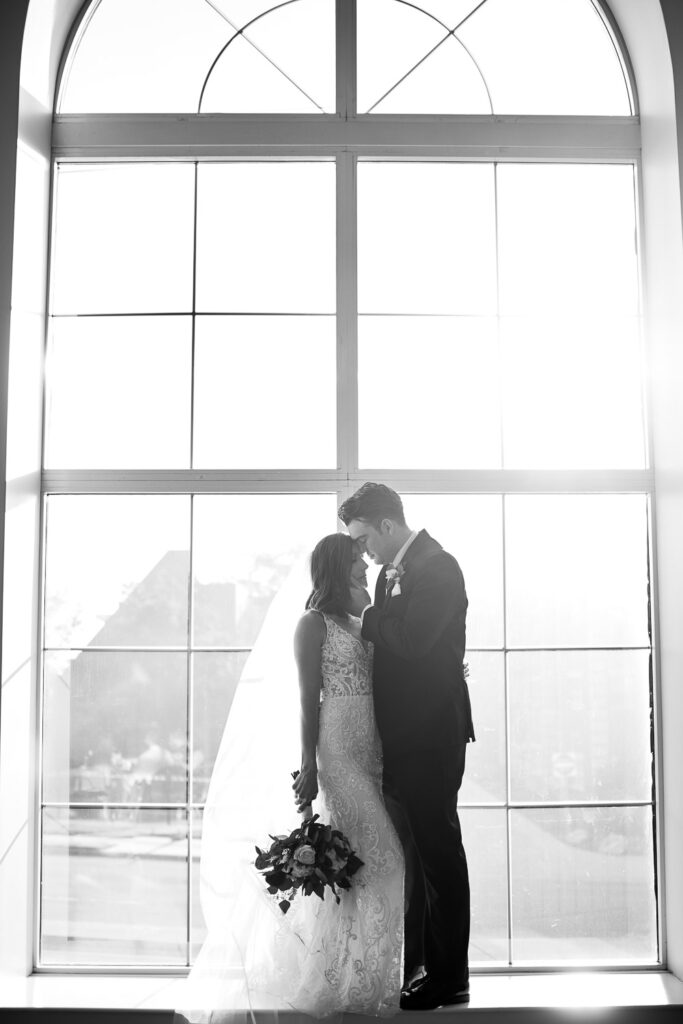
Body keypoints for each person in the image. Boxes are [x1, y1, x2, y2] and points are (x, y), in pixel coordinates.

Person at [178, 534, 404, 1024]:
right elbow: (308, 699)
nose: (364, 570)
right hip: (339, 753)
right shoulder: (313, 624)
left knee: (358, 867)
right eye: (356, 566)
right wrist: (309, 764)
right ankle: (343, 977)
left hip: (373, 751)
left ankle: (351, 977)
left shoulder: (362, 620)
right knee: (386, 858)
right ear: (333, 570)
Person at [338, 482, 475, 1011]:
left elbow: (413, 642)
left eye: (364, 538)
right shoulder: (390, 576)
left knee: (439, 854)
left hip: (431, 737)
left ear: (387, 526)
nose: (364, 551)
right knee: (416, 857)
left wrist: (370, 620)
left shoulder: (439, 567)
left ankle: (450, 978)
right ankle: (419, 967)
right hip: (402, 738)